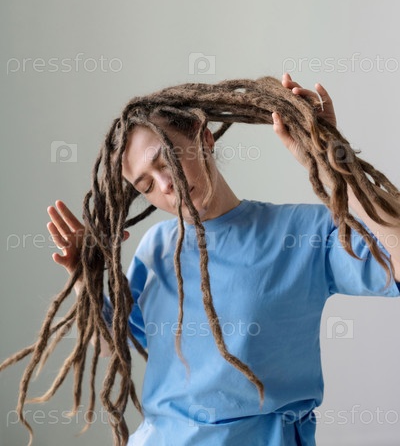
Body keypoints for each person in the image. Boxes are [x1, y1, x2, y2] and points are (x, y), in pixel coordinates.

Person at [2, 72, 400, 446]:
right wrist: (84, 276)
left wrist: (330, 160)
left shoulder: (303, 232)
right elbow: (114, 344)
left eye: (167, 160)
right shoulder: (157, 247)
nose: (165, 185)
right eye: (145, 184)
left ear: (203, 137)